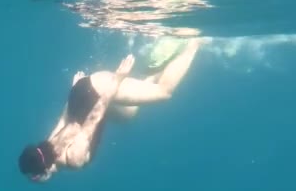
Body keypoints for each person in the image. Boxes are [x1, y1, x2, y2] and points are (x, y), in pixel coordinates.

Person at [18, 38, 202, 182]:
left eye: (37, 176)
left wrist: (118, 80)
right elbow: (64, 118)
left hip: (99, 90)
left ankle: (194, 42)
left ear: (45, 169)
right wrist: (75, 88)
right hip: (82, 91)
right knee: (128, 115)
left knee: (164, 93)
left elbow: (93, 120)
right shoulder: (48, 143)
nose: (37, 179)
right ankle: (154, 70)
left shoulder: (74, 159)